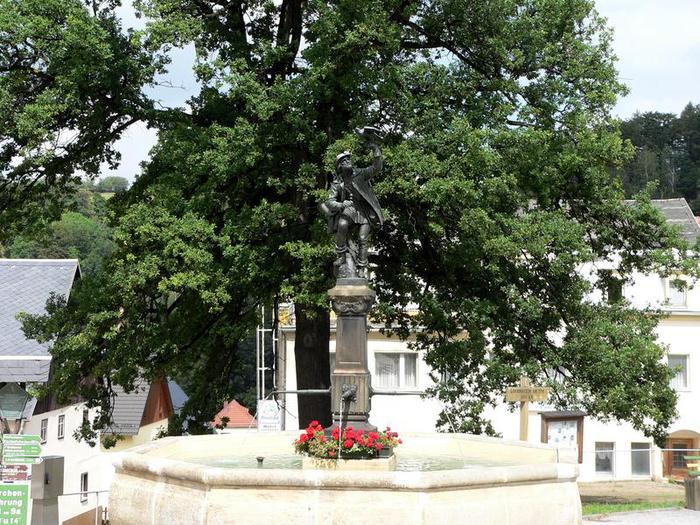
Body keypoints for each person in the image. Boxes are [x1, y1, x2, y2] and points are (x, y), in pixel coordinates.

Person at [321, 135, 384, 278]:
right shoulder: (337, 183)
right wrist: (341, 204)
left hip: (365, 210)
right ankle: (341, 254)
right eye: (344, 161)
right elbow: (329, 201)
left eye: (348, 159)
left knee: (363, 239)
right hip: (349, 208)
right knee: (342, 223)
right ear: (340, 167)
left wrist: (375, 149)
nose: (348, 161)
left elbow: (376, 168)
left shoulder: (361, 173)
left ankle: (362, 267)